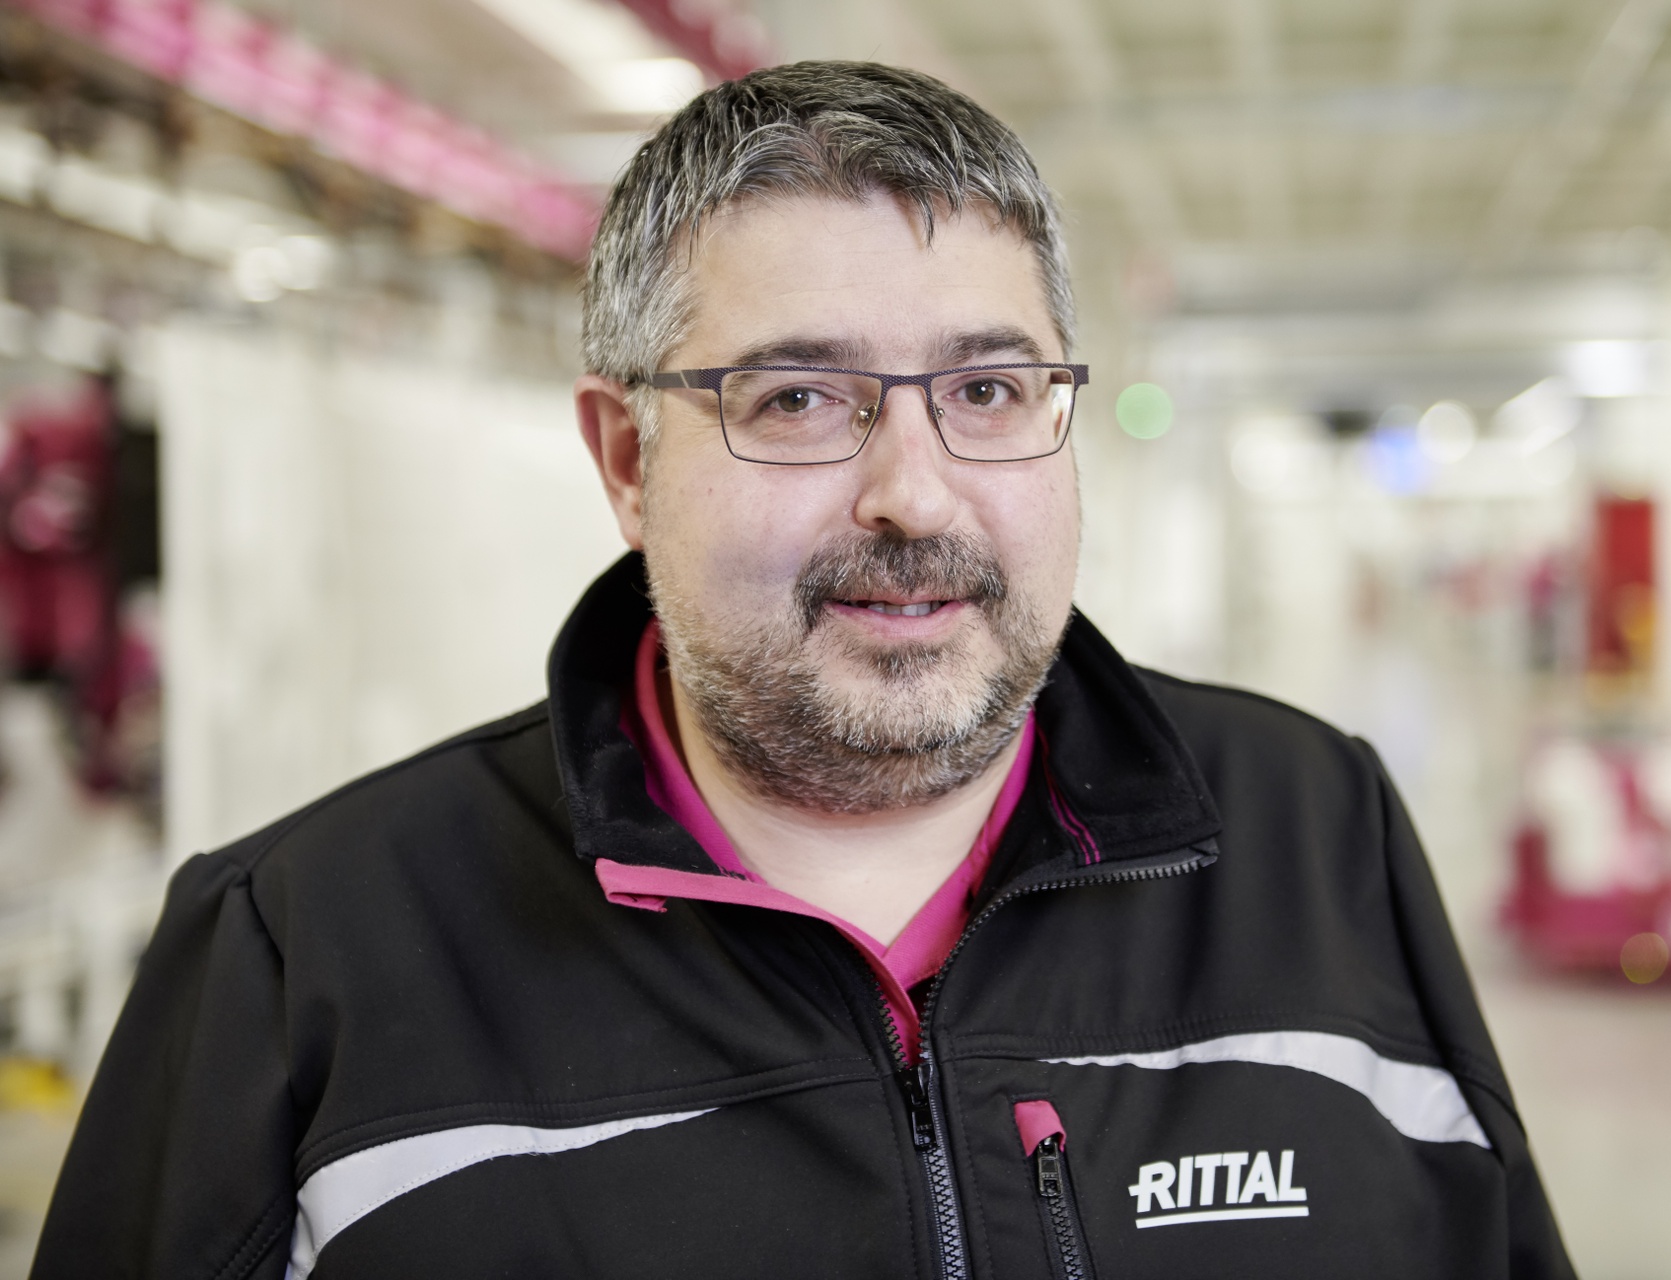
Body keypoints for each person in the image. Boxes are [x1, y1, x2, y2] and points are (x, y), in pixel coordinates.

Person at [32, 62, 1573, 1279]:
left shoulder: (1317, 833)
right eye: (798, 400)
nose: (916, 494)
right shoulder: (304, 956)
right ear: (627, 460)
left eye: (988, 389)